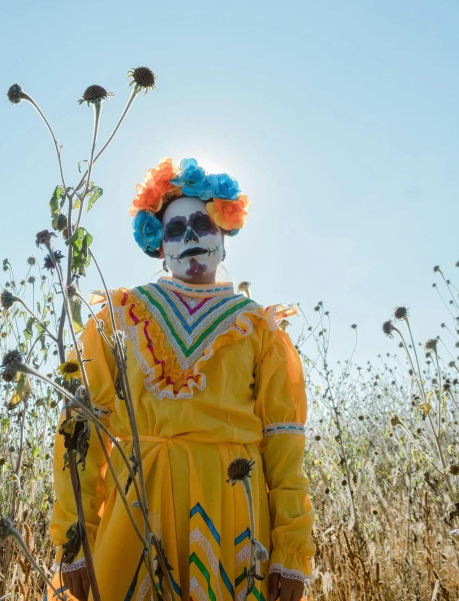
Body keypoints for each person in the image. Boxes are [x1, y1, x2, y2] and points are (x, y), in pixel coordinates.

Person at [47, 157, 315, 601]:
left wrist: (290, 548)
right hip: (138, 508)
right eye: (174, 230)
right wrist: (75, 535)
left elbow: (284, 444)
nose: (190, 237)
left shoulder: (258, 329)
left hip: (233, 508)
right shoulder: (120, 317)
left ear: (224, 236)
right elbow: (82, 427)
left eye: (201, 223)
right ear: (157, 245)